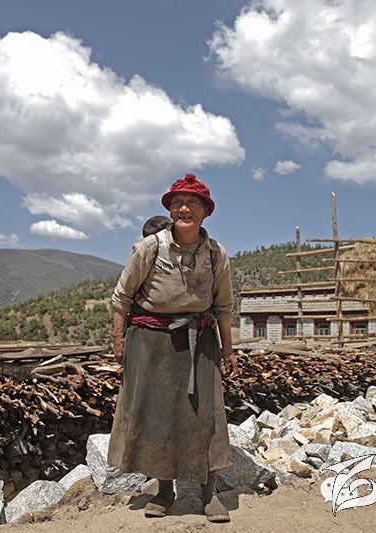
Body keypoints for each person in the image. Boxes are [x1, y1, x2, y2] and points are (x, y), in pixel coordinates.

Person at [107, 173, 238, 523]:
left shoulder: (216, 254)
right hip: (151, 342)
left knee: (206, 416)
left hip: (200, 341)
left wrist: (228, 351)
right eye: (178, 203)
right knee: (158, 416)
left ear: (205, 212)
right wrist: (119, 340)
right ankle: (164, 492)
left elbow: (224, 307)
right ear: (169, 210)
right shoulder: (150, 248)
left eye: (192, 203)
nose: (184, 209)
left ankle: (208, 494)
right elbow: (121, 297)